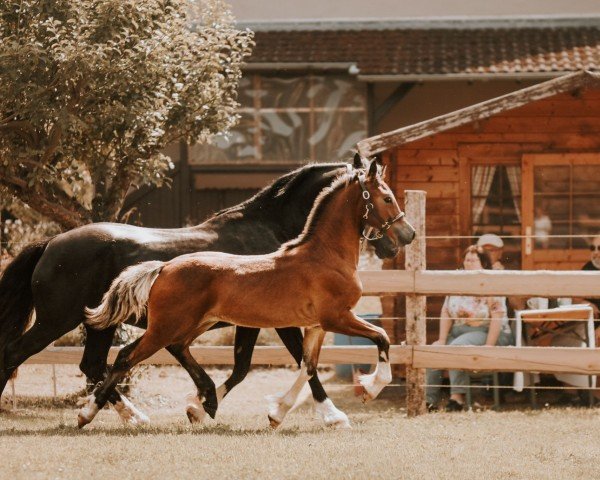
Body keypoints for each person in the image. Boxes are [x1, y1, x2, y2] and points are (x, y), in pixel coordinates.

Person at [426, 245, 514, 412]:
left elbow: (497, 317)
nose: (469, 263)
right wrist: (442, 339)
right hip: (460, 331)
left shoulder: (491, 283)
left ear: (484, 264)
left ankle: (457, 398)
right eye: (467, 260)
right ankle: (429, 401)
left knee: (456, 348)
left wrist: (489, 346)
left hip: (489, 332)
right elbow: (446, 311)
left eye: (474, 260)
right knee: (433, 352)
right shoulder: (456, 282)